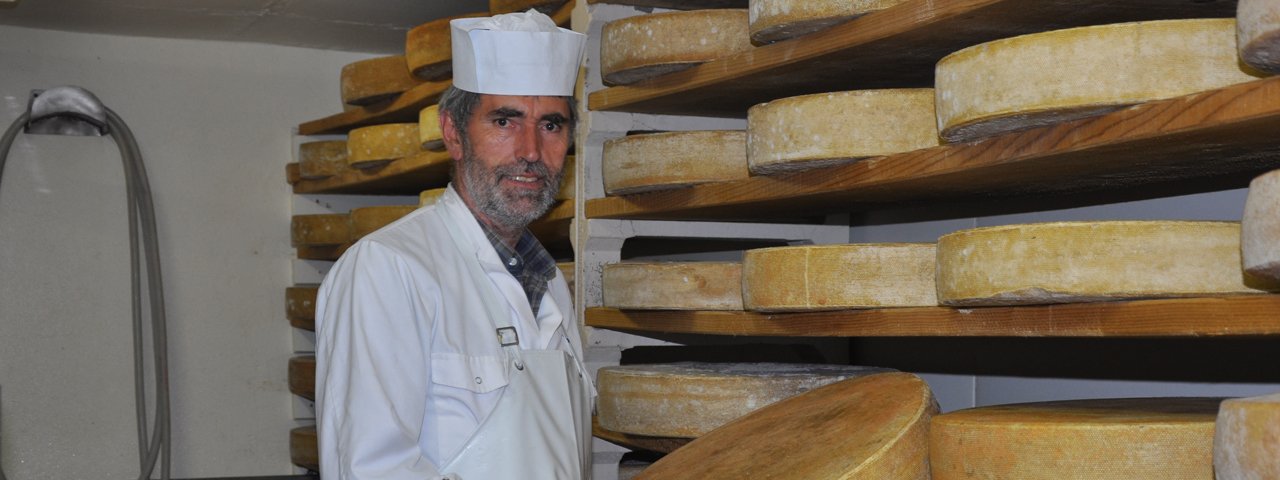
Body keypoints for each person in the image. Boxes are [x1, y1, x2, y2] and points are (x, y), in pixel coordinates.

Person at [313, 10, 591, 480]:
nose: (529, 150)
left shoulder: (549, 287)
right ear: (453, 134)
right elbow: (370, 469)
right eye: (505, 121)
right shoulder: (389, 270)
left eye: (550, 125)